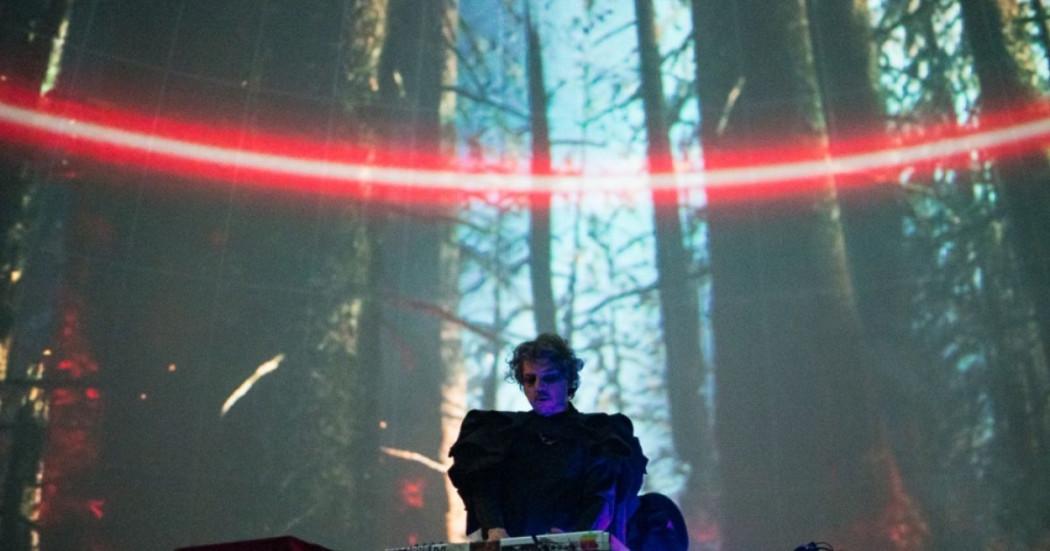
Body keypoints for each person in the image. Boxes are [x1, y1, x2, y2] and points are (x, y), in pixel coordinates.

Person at [448, 333, 688, 550]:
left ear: (568, 380)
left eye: (549, 378)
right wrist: (494, 528)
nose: (538, 387)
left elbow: (604, 495)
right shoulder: (499, 434)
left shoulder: (600, 435)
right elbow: (484, 487)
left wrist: (574, 537)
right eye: (530, 380)